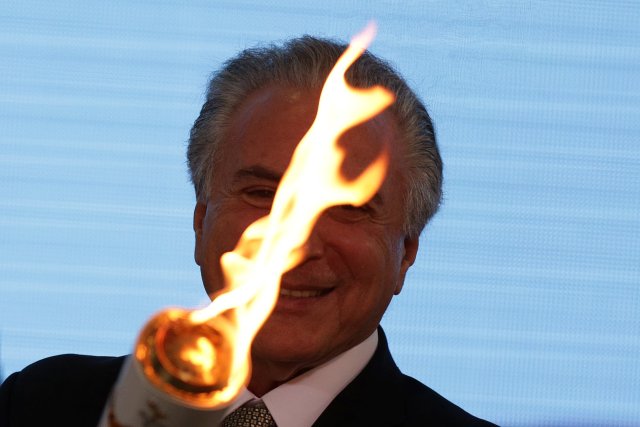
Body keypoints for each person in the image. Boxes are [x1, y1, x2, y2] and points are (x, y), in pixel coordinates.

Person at [0, 36, 496, 426]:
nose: (294, 243)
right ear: (201, 221)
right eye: (262, 195)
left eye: (347, 209)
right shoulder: (40, 407)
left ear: (406, 252)